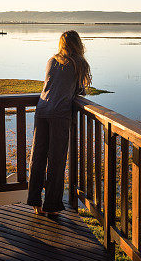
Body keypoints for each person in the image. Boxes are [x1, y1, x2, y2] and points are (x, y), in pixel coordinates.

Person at [27, 30, 92, 217]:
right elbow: (79, 89)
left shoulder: (52, 60)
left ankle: (35, 202)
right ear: (78, 44)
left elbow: (49, 84)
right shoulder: (79, 63)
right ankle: (52, 205)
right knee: (56, 160)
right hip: (60, 113)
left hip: (42, 110)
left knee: (37, 157)